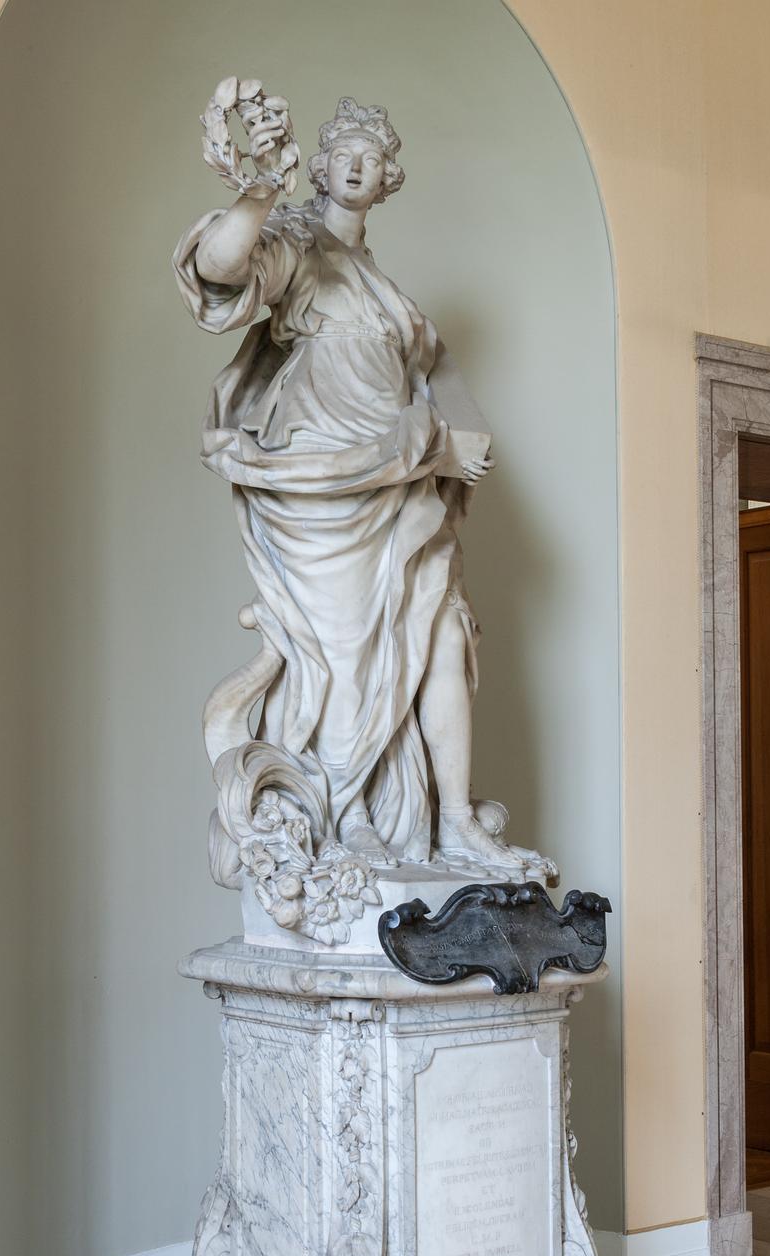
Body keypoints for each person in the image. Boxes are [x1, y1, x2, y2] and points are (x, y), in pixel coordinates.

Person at [174, 96, 526, 874]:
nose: (359, 163)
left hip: (403, 485)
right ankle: (346, 812)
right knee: (344, 654)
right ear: (323, 169)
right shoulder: (296, 244)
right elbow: (222, 268)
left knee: (439, 635)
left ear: (388, 177)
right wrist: (260, 189)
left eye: (374, 154)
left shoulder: (388, 291)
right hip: (320, 488)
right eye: (345, 152)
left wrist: (451, 443)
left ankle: (457, 820)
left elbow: (437, 377)